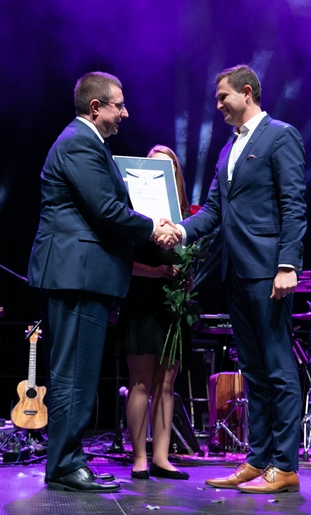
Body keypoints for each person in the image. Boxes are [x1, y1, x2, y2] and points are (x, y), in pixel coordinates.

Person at [27, 72, 178, 493]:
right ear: (96, 107)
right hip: (75, 275)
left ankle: (68, 461)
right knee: (74, 372)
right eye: (119, 105)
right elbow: (106, 209)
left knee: (77, 371)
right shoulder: (80, 142)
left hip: (80, 274)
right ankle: (64, 465)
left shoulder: (88, 143)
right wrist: (153, 229)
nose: (125, 113)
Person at [174, 64, 307, 494]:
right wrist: (179, 231)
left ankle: (285, 467)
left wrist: (288, 265)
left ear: (247, 92)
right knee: (253, 370)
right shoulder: (229, 149)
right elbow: (213, 211)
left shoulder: (280, 136)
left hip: (268, 271)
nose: (218, 106)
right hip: (236, 272)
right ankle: (258, 459)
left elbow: (293, 203)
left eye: (223, 97)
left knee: (278, 368)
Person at [116, 145, 191, 481]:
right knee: (141, 382)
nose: (162, 174)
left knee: (166, 384)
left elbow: (190, 256)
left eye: (169, 168)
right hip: (141, 300)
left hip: (171, 303)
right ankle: (139, 458)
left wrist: (187, 276)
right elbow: (122, 262)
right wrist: (156, 271)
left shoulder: (184, 214)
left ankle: (162, 457)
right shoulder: (132, 213)